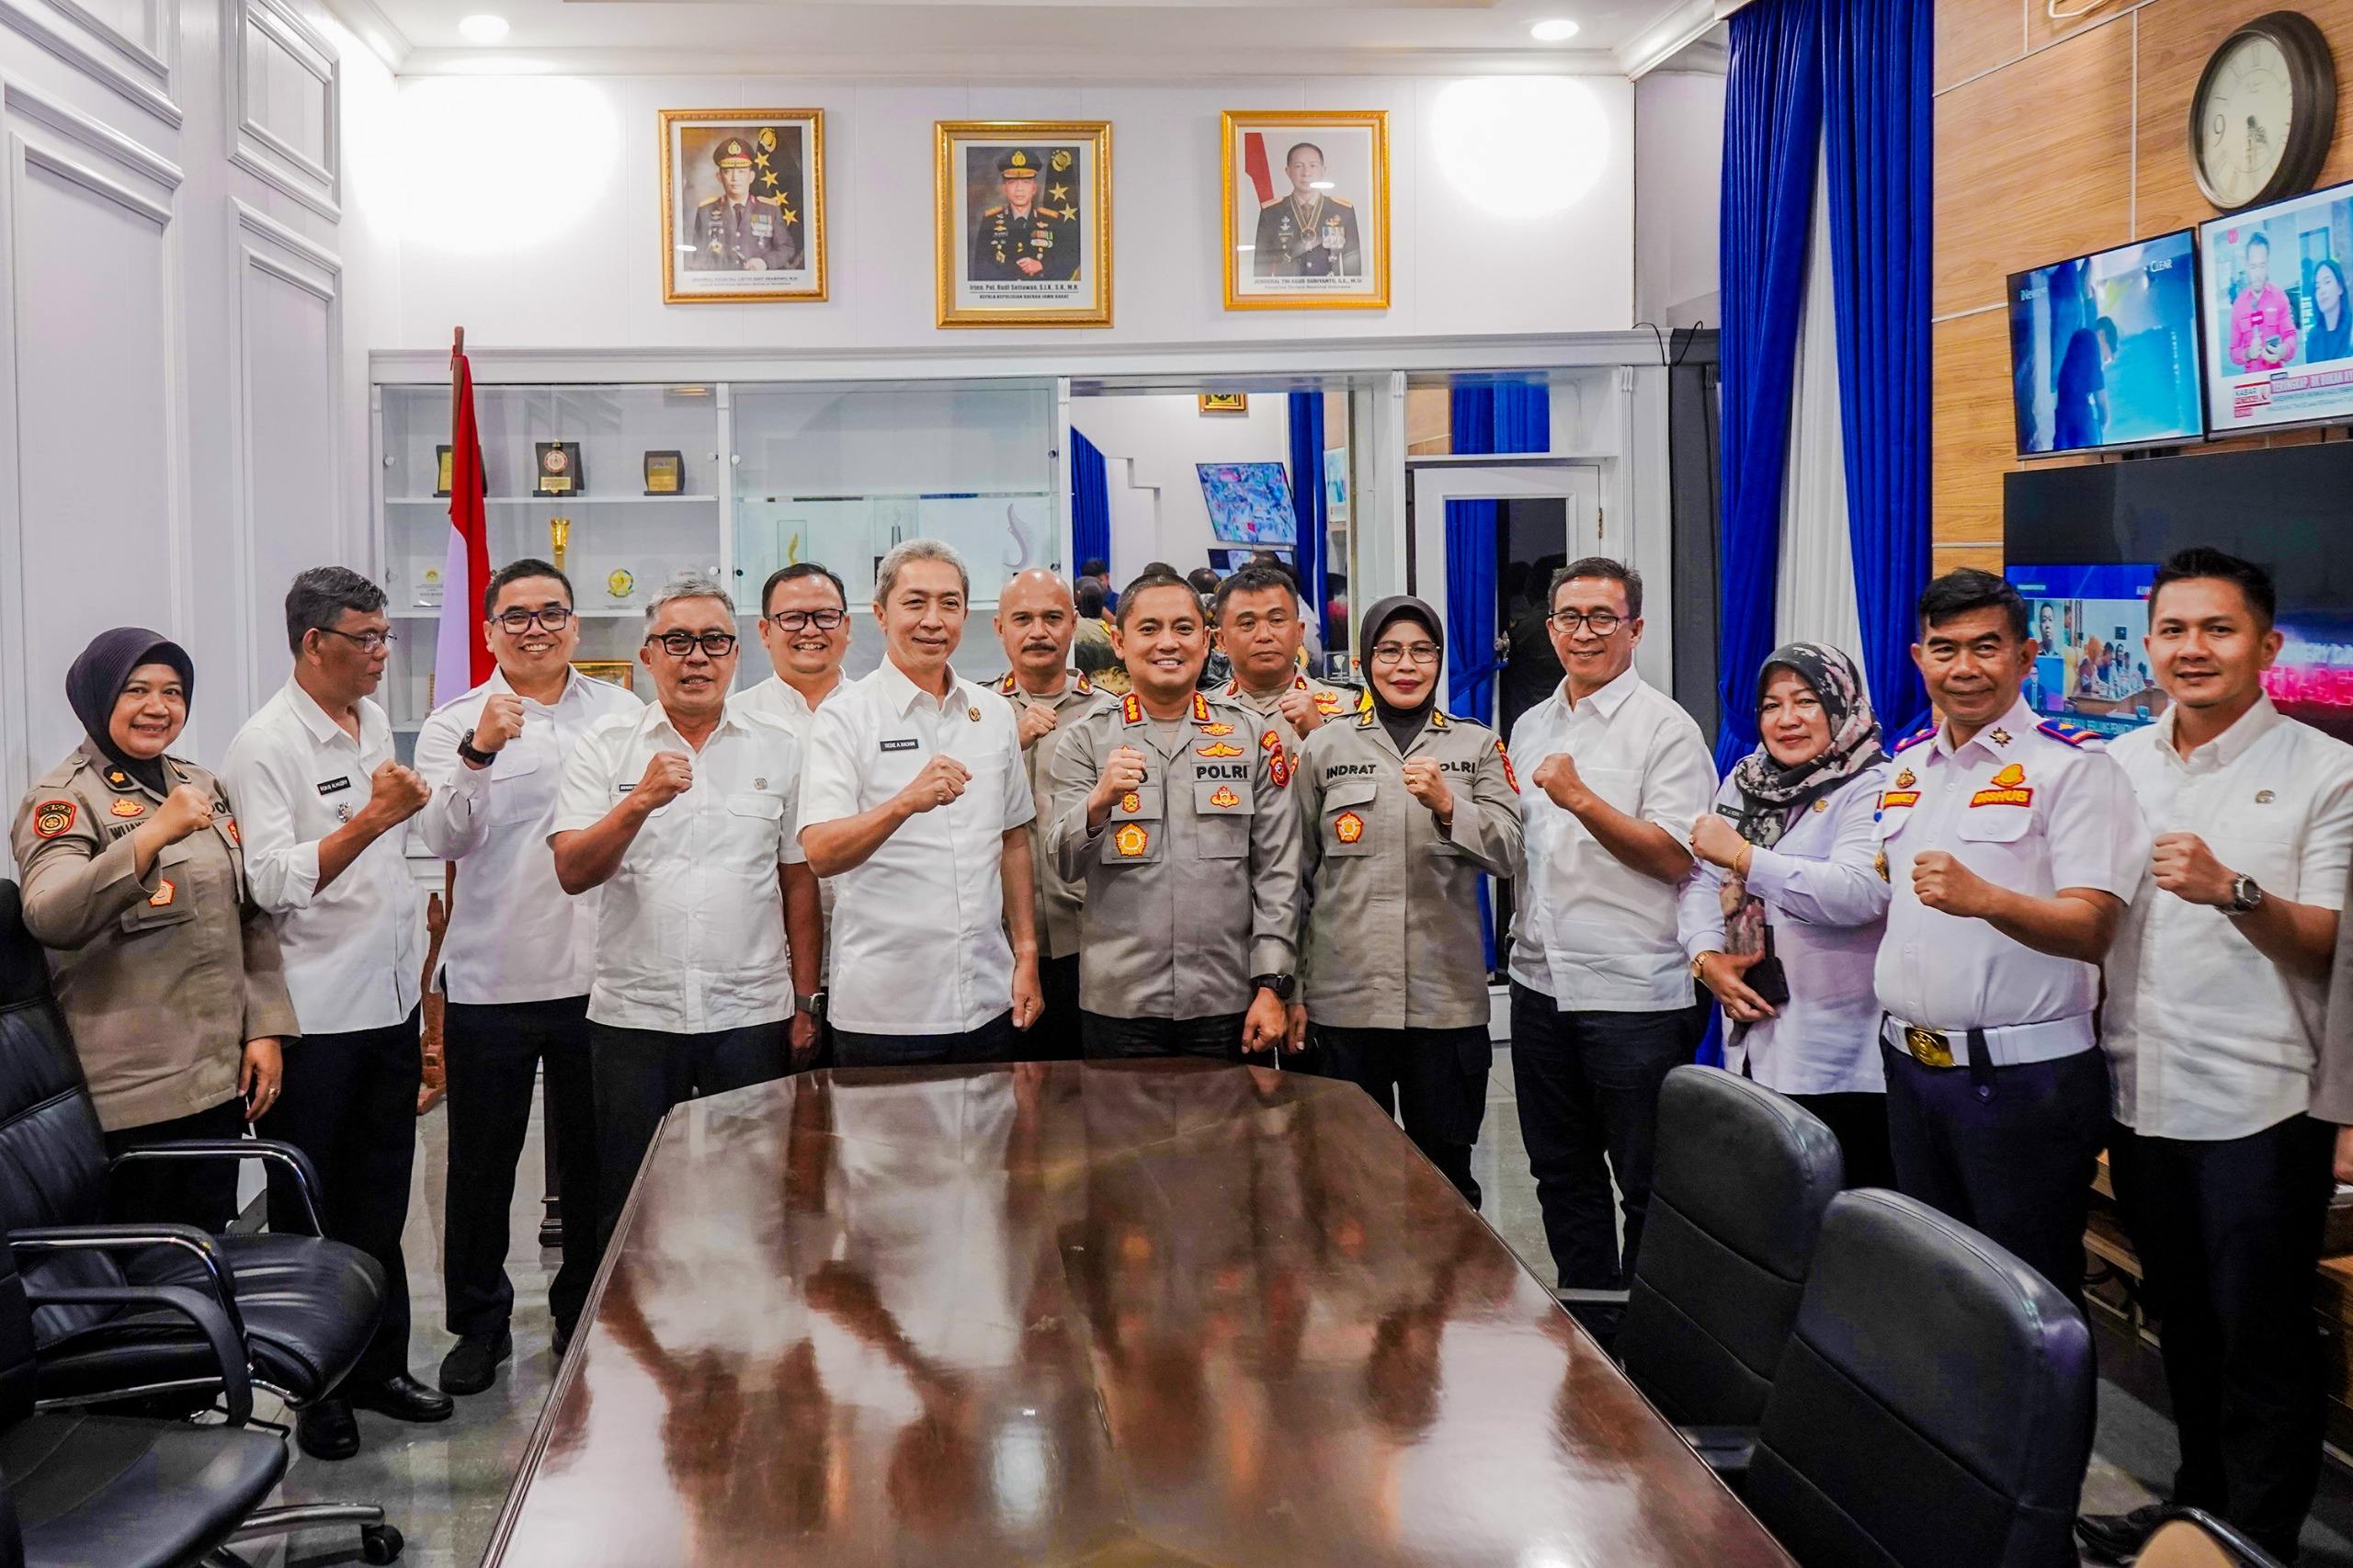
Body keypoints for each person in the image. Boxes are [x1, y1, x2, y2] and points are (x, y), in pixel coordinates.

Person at [2077, 550, 2353, 1565]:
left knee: (2261, 1338)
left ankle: (2257, 1542)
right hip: (2139, 1090)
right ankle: (2192, 1516)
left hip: (2263, 1105)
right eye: (2174, 630)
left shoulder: (2328, 772)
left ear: (2266, 645)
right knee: (2181, 1327)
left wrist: (2233, 890)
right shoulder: (2115, 765)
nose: (2192, 648)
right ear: (2147, 643)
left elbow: (2330, 946)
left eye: (2218, 629)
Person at [222, 567, 450, 1458]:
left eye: (385, 636)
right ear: (313, 643)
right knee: (311, 1216)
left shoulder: (370, 721)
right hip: (313, 1018)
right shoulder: (266, 743)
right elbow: (268, 883)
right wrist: (373, 817)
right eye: (367, 638)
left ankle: (380, 1367)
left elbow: (390, 859)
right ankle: (315, 1390)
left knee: (380, 1204)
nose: (382, 653)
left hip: (385, 1002)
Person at [1873, 567, 2146, 1310]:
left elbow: (2095, 929)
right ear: (1919, 657)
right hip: (1911, 1070)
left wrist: (1988, 900)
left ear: (2026, 657)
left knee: (2027, 1304)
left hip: (2022, 1084)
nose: (1964, 667)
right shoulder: (1907, 766)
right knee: (1937, 1293)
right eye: (1945, 648)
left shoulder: (2074, 767)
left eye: (1986, 647)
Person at [413, 558, 642, 1389]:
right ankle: (480, 1326)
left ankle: (584, 1310)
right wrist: (479, 751)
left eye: (551, 613)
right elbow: (443, 839)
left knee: (594, 1163)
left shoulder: (623, 713)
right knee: (481, 1166)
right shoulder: (452, 722)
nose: (535, 628)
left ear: (575, 625)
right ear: (489, 631)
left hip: (603, 974)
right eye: (517, 616)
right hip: (494, 978)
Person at [551, 578, 822, 1245]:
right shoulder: (606, 744)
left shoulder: (780, 746)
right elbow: (574, 871)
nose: (696, 657)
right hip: (635, 1015)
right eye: (677, 641)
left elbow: (798, 882)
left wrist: (804, 1000)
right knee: (632, 1201)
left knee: (757, 1193)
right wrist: (638, 802)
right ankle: (630, 1317)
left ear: (736, 654)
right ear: (648, 656)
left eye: (714, 641)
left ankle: (748, 1313)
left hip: (749, 1012)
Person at [11, 630, 293, 1232]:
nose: (158, 707)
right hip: (132, 1099)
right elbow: (50, 915)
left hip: (217, 1083)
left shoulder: (201, 785)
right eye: (136, 690)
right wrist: (151, 835)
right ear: (98, 697)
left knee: (209, 1248)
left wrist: (265, 1028)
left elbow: (248, 916)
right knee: (145, 1265)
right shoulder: (62, 800)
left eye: (173, 691)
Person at [1506, 557, 1715, 1295]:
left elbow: (1675, 857)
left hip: (1634, 997)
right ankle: (1588, 1320)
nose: (1584, 633)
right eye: (1570, 617)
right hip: (1539, 985)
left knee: (1648, 1183)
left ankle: (1651, 1338)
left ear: (1636, 629)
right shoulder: (1531, 726)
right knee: (1560, 1172)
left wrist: (1581, 799)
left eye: (1603, 618)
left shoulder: (1667, 730)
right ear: (1550, 628)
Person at [1293, 597, 1523, 1204]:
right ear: (1365, 661)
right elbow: (1295, 876)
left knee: (1446, 1184)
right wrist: (1290, 988)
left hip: (1444, 1007)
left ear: (1439, 661)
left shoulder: (1477, 746)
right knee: (1347, 1187)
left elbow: (1509, 853)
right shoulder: (1326, 747)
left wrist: (1450, 806)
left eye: (1422, 651)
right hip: (1347, 1004)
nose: (1405, 665)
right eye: (1389, 651)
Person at [798, 540, 1042, 1064]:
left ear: (965, 615)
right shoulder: (844, 717)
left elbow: (1013, 838)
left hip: (988, 998)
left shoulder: (994, 713)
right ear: (881, 614)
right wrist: (903, 803)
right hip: (885, 1011)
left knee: (999, 1122)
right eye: (915, 603)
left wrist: (1026, 953)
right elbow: (820, 852)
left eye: (949, 603)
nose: (933, 620)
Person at [1047, 568, 1303, 1060]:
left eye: (1183, 628)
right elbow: (1062, 863)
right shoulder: (1085, 739)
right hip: (1120, 1001)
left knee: (1234, 1114)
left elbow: (1278, 872)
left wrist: (1273, 984)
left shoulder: (1250, 735)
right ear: (1119, 643)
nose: (1168, 642)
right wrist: (1098, 803)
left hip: (1227, 997)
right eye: (1149, 629)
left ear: (1206, 642)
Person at [1680, 643, 1894, 1189]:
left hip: (1839, 1059)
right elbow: (1701, 879)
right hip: (1753, 1044)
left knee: (1843, 1215)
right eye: (1771, 705)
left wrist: (1745, 857)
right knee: (1769, 1211)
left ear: (1841, 704)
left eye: (1805, 701)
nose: (1787, 719)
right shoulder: (1748, 780)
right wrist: (1706, 957)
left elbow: (1859, 894)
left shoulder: (1874, 784)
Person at [993, 569, 1111, 1061]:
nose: (1038, 631)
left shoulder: (1111, 716)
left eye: (1052, 618)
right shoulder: (973, 715)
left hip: (1093, 941)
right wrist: (1007, 743)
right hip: (997, 944)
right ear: (1000, 627)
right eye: (1023, 619)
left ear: (1073, 625)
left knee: (1093, 1090)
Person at [737, 562, 854, 1055]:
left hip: (867, 964)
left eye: (825, 616)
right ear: (765, 631)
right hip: (767, 977)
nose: (810, 630)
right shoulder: (733, 721)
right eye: (792, 618)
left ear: (847, 626)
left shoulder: (880, 713)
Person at [1214, 563, 1353, 744]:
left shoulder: (1347, 708)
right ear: (1221, 640)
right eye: (1247, 623)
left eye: (1277, 620)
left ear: (1299, 633)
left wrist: (1318, 734)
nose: (1264, 635)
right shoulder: (1202, 714)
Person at [688, 136, 801, 273]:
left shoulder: (769, 210)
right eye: (728, 171)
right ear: (719, 177)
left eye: (741, 171)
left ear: (751, 176)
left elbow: (786, 248)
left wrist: (764, 262)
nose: (735, 178)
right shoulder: (705, 211)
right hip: (721, 282)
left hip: (758, 282)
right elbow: (697, 255)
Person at [1252, 142, 1361, 278]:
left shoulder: (1343, 212)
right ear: (1288, 171)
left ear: (1323, 171)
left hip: (1330, 290)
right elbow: (1261, 268)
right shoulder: (1271, 213)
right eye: (1299, 166)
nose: (1306, 173)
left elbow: (1353, 269)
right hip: (1287, 290)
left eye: (1313, 166)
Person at [971, 148, 1076, 283]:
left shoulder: (1052, 221)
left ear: (1034, 188)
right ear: (1004, 189)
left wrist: (1042, 266)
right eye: (1012, 182)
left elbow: (1066, 265)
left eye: (1026, 182)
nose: (1019, 189)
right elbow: (981, 270)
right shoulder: (990, 221)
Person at [2230, 233, 2299, 371]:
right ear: (2246, 266)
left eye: (2262, 266)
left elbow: (2291, 336)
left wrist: (2283, 351)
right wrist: (2248, 354)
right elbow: (2233, 351)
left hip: (2276, 377)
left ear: (2268, 265)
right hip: (2252, 381)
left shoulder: (2279, 296)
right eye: (2253, 267)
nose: (2258, 274)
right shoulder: (2239, 304)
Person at [2052, 316, 2117, 450]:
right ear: (2102, 334)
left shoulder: (2082, 339)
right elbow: (2100, 395)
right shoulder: (2088, 338)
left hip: (2067, 409)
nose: (2102, 364)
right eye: (2105, 357)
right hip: (2074, 409)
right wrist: (2105, 417)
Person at [2306, 257, 2351, 364]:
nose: (2322, 291)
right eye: (2317, 287)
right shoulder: (2313, 337)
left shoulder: (2351, 329)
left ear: (2340, 288)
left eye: (2327, 282)